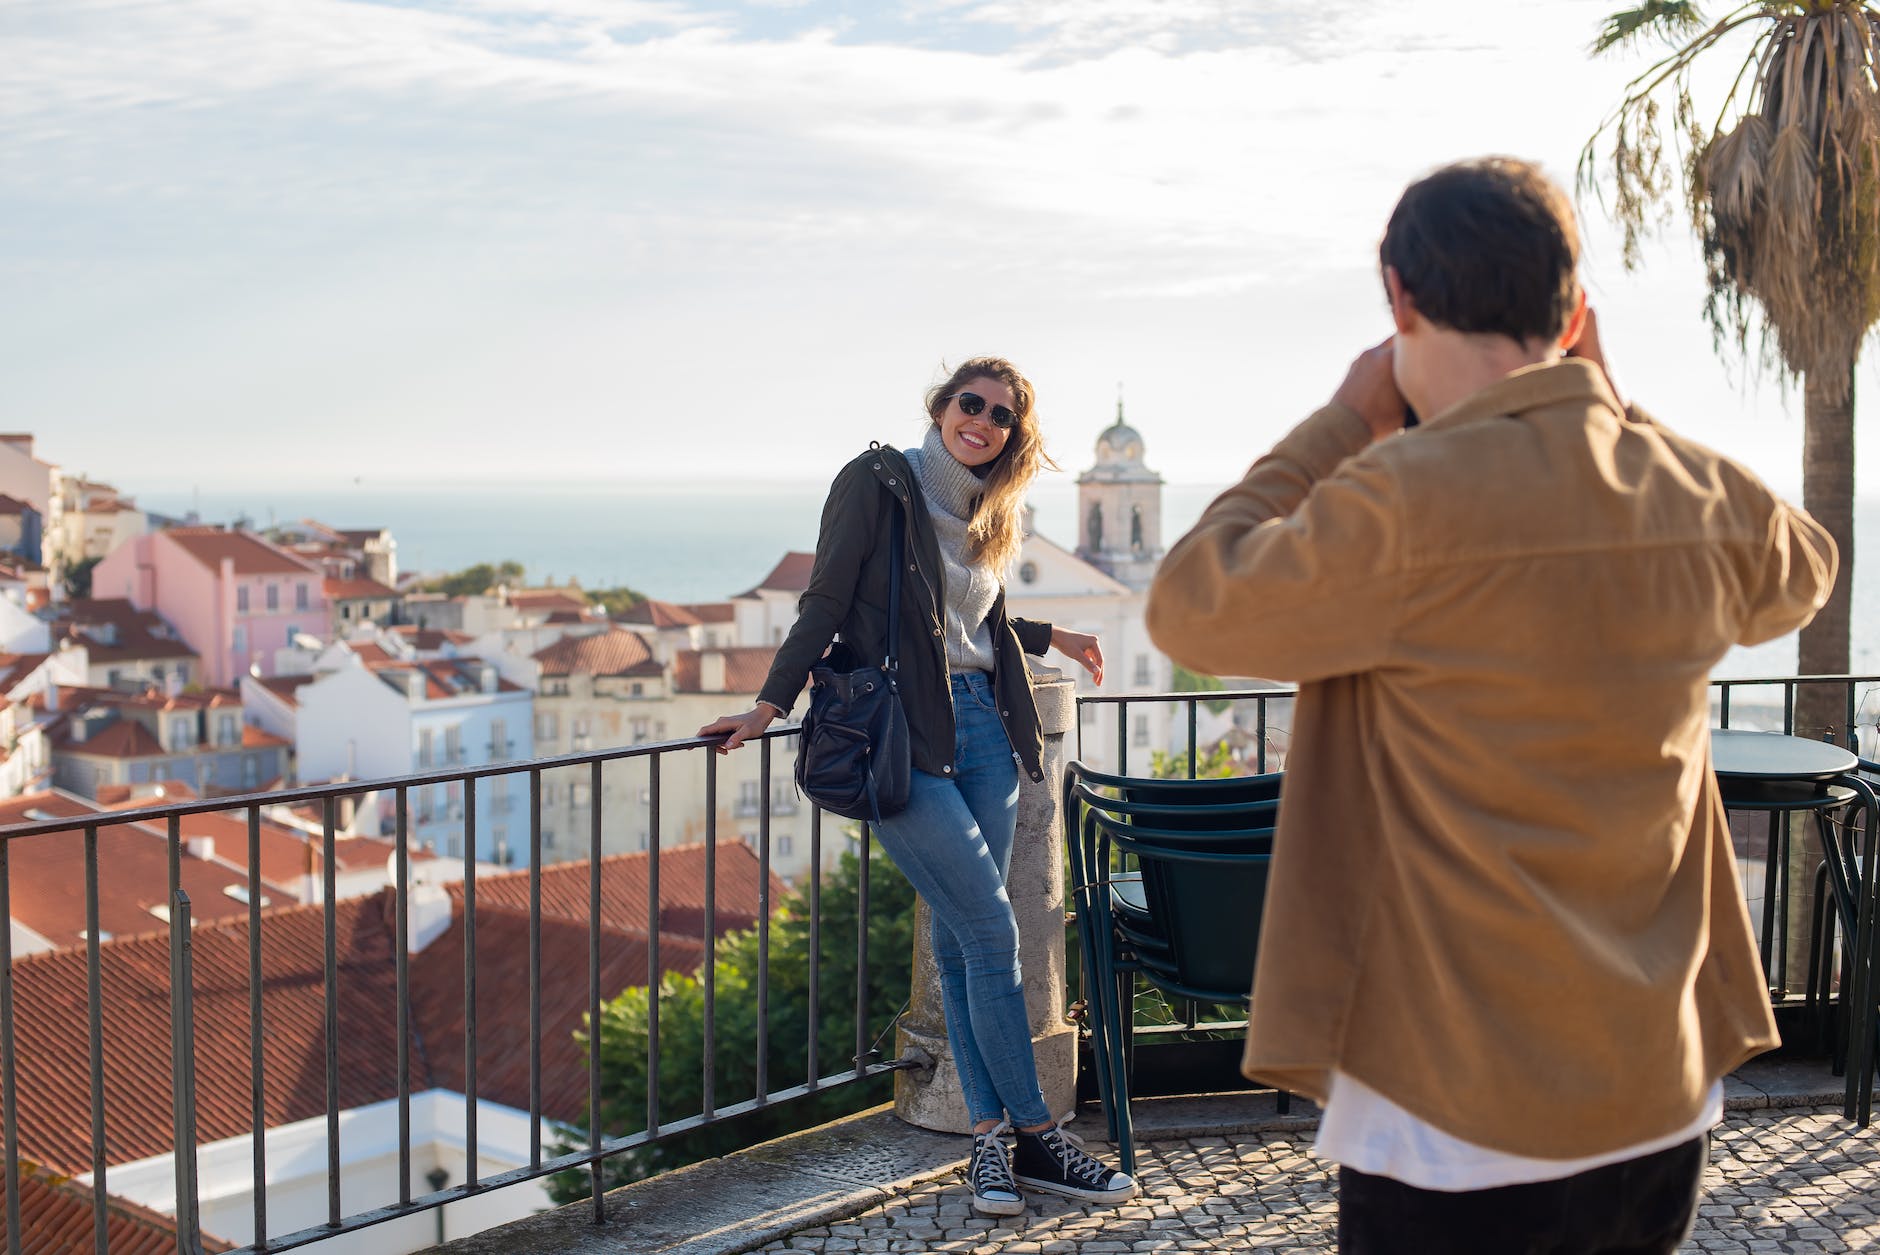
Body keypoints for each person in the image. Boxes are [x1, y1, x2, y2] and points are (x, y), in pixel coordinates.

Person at [1145, 158, 1837, 1253]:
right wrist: (1613, 407)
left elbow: (1190, 604)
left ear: (1398, 297)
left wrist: (1339, 420)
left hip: (1451, 1113)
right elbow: (1802, 564)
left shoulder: (1403, 498)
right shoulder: (1683, 495)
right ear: (1571, 315)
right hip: (1650, 1090)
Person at [701, 357, 1139, 1217]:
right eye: (968, 404)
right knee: (990, 926)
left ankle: (986, 1147)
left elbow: (974, 619)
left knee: (959, 942)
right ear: (939, 408)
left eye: (1000, 415)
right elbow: (825, 601)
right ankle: (1038, 1134)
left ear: (1014, 434)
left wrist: (1055, 633)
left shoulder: (989, 509)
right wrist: (766, 704)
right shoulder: (878, 481)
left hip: (985, 725)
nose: (981, 420)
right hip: (899, 735)